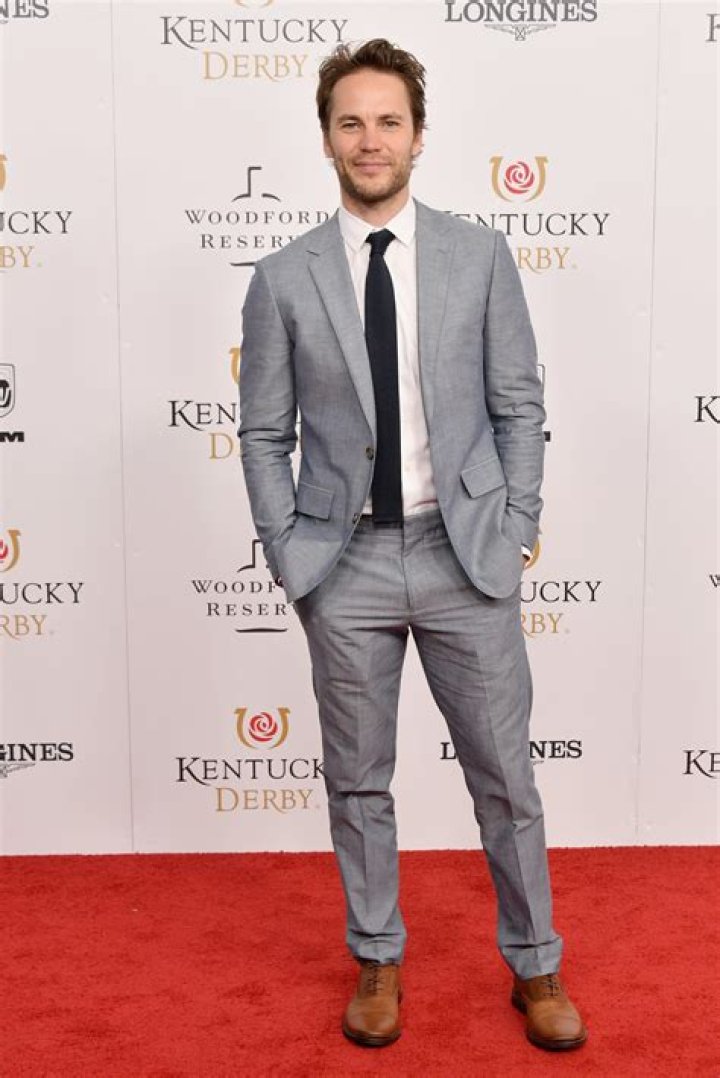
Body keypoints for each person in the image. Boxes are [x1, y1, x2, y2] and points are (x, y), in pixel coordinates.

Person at [239, 38, 586, 1052]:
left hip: (463, 553)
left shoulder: (479, 257)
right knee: (358, 780)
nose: (370, 139)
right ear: (326, 138)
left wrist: (517, 523)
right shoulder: (284, 278)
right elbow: (262, 432)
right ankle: (377, 958)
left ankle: (536, 965)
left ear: (419, 135)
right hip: (340, 562)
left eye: (388, 121)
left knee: (506, 778)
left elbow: (519, 404)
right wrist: (289, 553)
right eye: (351, 122)